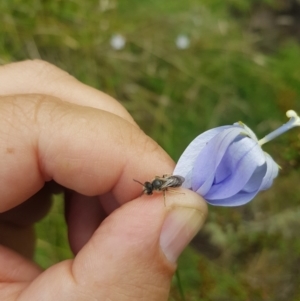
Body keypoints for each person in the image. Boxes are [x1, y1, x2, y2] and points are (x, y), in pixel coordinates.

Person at [0, 60, 207, 301]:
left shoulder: (161, 186)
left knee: (169, 186)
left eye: (149, 188)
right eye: (150, 188)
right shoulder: (156, 184)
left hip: (174, 182)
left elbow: (165, 184)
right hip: (171, 182)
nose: (150, 189)